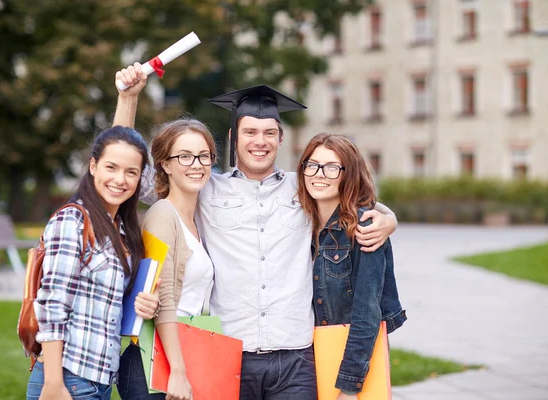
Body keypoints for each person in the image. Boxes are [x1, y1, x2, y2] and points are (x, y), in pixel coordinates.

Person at [113, 64, 397, 399]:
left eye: (268, 133)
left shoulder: (304, 187)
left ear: (280, 137)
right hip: (229, 356)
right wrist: (127, 99)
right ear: (235, 137)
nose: (259, 142)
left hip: (296, 360)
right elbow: (128, 176)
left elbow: (350, 198)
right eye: (249, 132)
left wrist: (388, 217)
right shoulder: (204, 188)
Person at [27, 126, 161, 400]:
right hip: (67, 378)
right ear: (93, 166)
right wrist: (53, 383)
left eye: (131, 172)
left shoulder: (122, 230)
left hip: (99, 383)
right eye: (111, 167)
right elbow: (53, 304)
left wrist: (145, 303)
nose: (119, 179)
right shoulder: (73, 221)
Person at [297, 133, 407, 399]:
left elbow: (367, 315)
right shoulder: (299, 222)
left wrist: (349, 388)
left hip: (351, 362)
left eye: (332, 167)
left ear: (349, 174)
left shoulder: (364, 228)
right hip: (305, 362)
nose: (319, 174)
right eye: (312, 165)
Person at [117, 118, 218, 400]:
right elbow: (164, 298)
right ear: (165, 164)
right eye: (184, 156)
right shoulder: (163, 214)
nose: (196, 164)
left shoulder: (198, 220)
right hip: (155, 361)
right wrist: (177, 370)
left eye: (203, 155)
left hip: (186, 353)